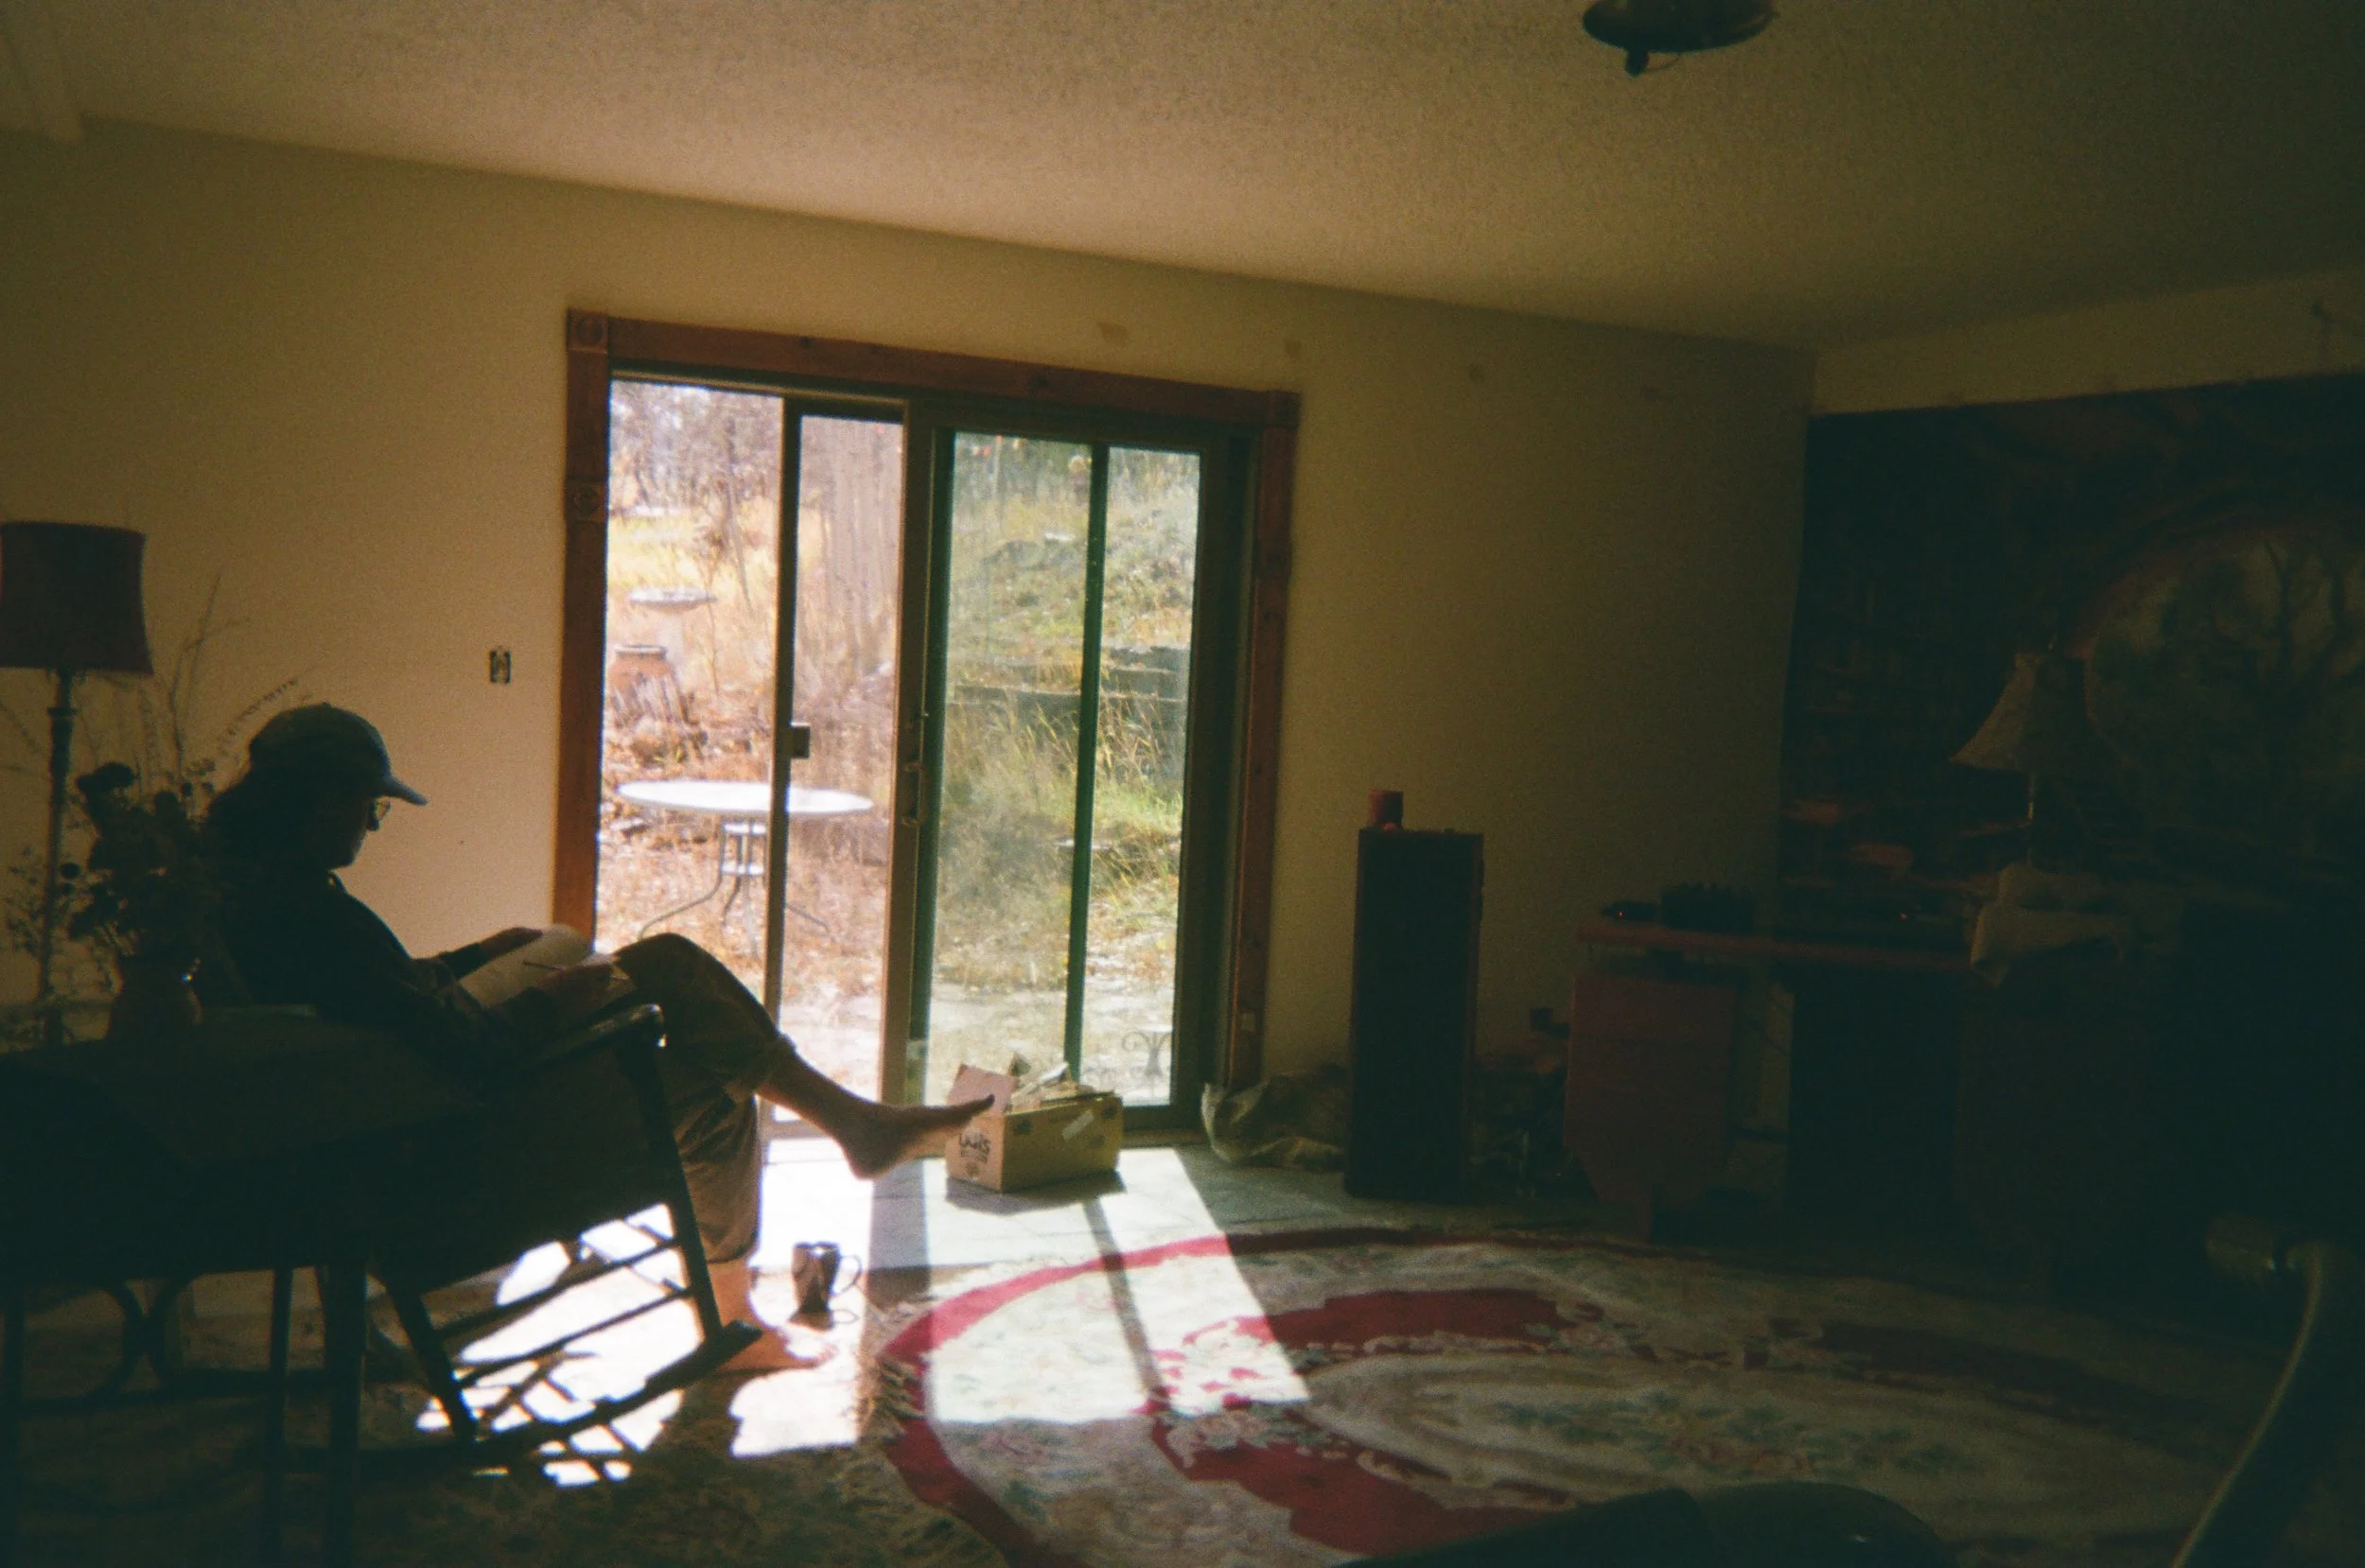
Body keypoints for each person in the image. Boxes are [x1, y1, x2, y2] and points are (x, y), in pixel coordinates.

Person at [200, 704, 990, 1371]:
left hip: (398, 1125)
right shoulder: (316, 917)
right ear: (319, 800)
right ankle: (744, 1300)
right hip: (457, 1148)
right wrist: (553, 1000)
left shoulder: (261, 899)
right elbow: (460, 1047)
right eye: (368, 808)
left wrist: (481, 957)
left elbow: (390, 997)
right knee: (706, 1076)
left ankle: (853, 1129)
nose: (372, 827)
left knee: (660, 966)